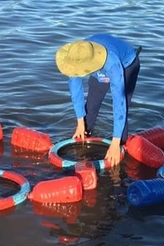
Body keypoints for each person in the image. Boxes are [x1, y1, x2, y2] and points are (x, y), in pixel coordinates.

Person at [55, 34, 140, 167]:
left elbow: (120, 103)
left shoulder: (112, 64)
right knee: (91, 106)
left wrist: (115, 143)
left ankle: (120, 148)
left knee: (124, 108)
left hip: (126, 64)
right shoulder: (77, 56)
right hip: (96, 63)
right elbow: (76, 91)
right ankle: (84, 145)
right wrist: (80, 123)